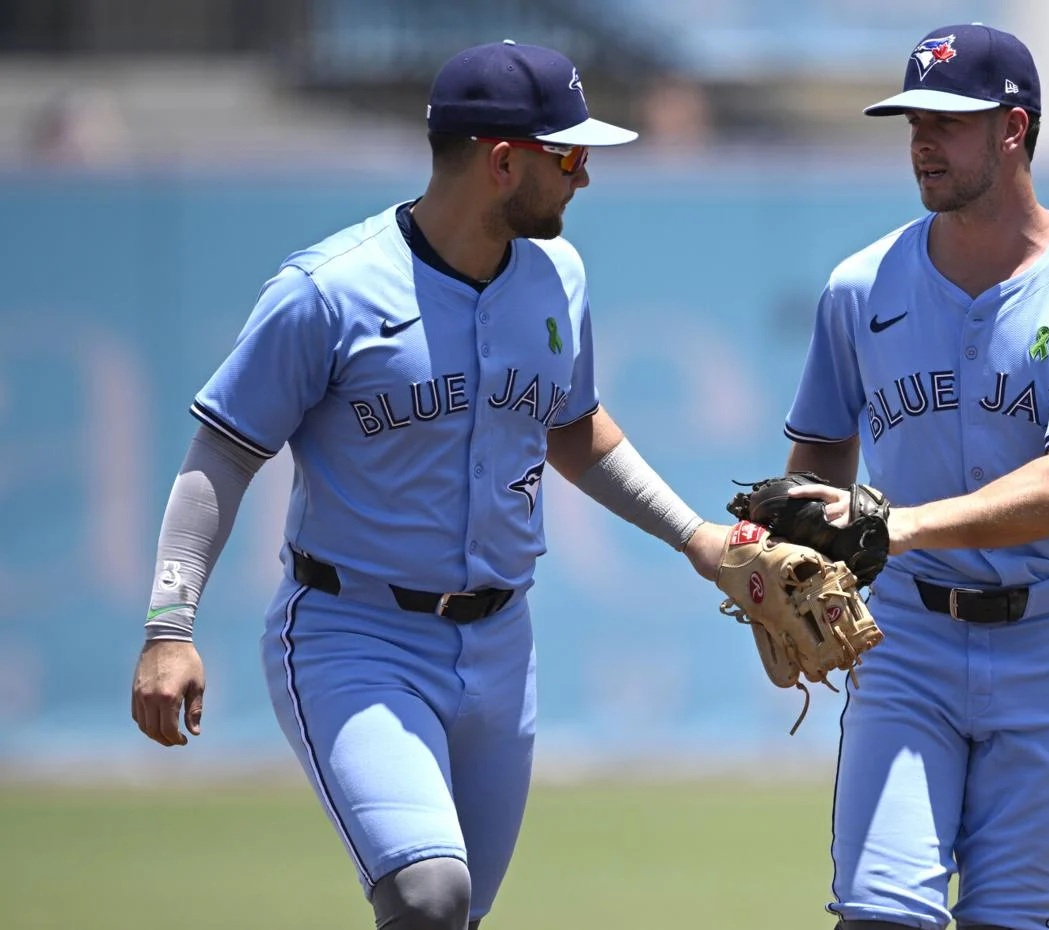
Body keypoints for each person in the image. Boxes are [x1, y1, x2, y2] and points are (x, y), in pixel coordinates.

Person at [128, 40, 730, 930]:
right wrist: (168, 628)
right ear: (501, 163)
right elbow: (224, 452)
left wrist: (698, 538)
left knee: (452, 917)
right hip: (354, 637)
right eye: (569, 156)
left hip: (500, 647)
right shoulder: (326, 292)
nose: (585, 177)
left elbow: (572, 428)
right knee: (429, 896)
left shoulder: (558, 275)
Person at [778, 24, 1049, 930]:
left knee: (1010, 920)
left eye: (947, 121)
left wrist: (897, 525)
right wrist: (792, 558)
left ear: (1012, 130)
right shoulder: (859, 288)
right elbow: (821, 458)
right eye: (912, 119)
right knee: (879, 914)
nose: (921, 140)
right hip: (906, 640)